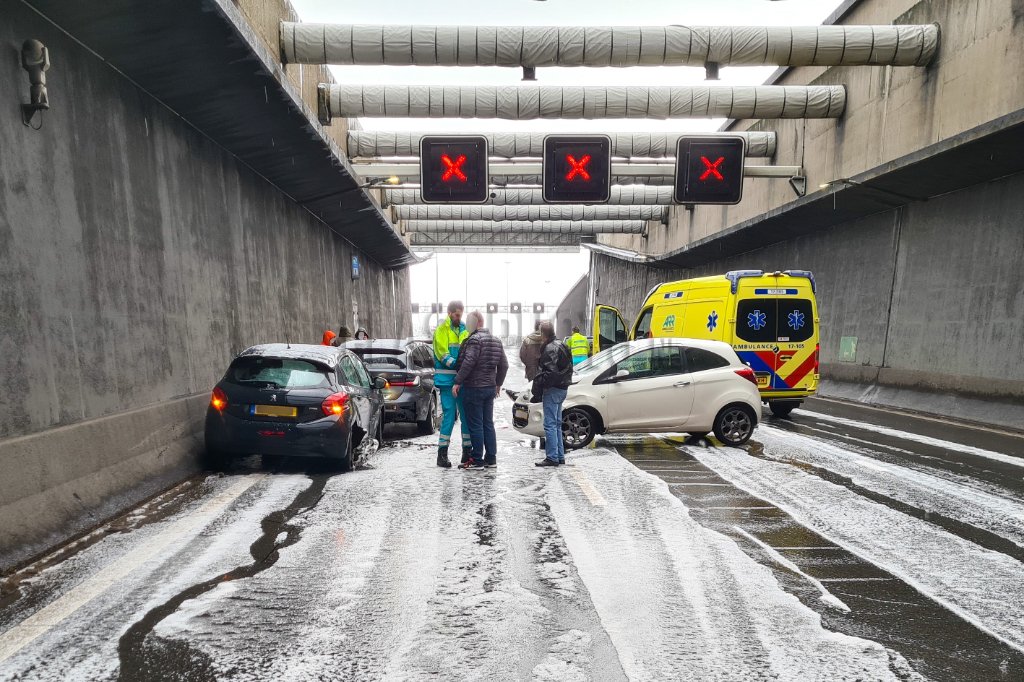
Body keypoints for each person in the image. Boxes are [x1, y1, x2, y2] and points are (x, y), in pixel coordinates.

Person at [453, 310, 508, 470]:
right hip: (489, 388)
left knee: (476, 424)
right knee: (488, 423)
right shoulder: (496, 340)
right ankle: (491, 459)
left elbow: (469, 361)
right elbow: (504, 365)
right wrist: (498, 384)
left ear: (476, 323)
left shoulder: (474, 340)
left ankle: (477, 460)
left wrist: (457, 381)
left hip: (474, 387)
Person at [433, 301, 471, 468]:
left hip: (461, 381)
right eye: (456, 314)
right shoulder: (441, 330)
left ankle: (467, 453)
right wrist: (458, 365)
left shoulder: (464, 329)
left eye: (461, 315)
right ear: (449, 313)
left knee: (465, 417)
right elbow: (442, 353)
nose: (459, 317)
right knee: (449, 416)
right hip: (447, 381)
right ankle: (442, 454)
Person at [533, 321, 573, 467]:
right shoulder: (562, 344)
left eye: (539, 332)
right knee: (556, 424)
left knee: (549, 424)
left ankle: (552, 458)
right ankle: (559, 456)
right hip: (563, 388)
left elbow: (550, 373)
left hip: (553, 389)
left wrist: (540, 384)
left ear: (543, 334)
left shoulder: (549, 348)